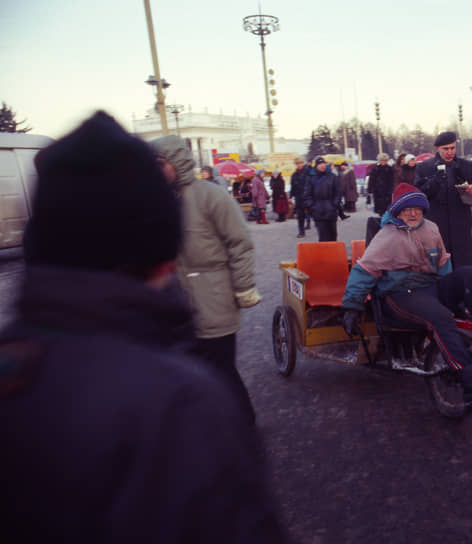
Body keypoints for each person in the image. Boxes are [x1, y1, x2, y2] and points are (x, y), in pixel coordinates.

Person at [0, 111, 285, 542]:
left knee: (221, 364)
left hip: (208, 303)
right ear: (157, 247)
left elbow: (237, 244)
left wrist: (240, 288)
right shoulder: (179, 400)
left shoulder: (13, 364)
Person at [341, 183, 472, 406]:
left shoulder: (431, 229)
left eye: (417, 208)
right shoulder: (386, 236)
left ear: (423, 210)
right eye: (406, 209)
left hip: (430, 288)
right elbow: (364, 271)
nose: (412, 213)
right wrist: (352, 307)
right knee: (441, 318)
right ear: (397, 211)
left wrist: (455, 296)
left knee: (468, 274)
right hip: (400, 296)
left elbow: (443, 262)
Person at [151, 134, 261, 423]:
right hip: (178, 306)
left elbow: (239, 243)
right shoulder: (159, 200)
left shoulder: (210, 195)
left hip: (214, 299)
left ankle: (242, 430)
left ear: (176, 162)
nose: (156, 170)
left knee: (221, 372)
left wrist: (243, 286)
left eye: (160, 164)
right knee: (191, 374)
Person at [415, 131, 472, 269]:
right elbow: (419, 193)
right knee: (438, 265)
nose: (450, 152)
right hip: (435, 224)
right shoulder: (424, 167)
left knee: (463, 264)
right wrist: (435, 181)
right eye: (445, 149)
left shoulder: (465, 165)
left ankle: (463, 288)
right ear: (437, 149)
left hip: (461, 223)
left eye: (452, 148)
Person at [303, 156, 344, 242]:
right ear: (316, 166)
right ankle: (324, 255)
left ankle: (333, 254)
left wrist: (335, 204)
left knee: (333, 235)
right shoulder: (311, 178)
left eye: (323, 163)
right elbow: (307, 194)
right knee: (323, 237)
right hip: (318, 212)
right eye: (320, 164)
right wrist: (313, 206)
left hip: (331, 210)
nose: (322, 166)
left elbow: (338, 192)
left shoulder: (333, 177)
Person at [290, 156, 310, 237]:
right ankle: (301, 232)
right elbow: (293, 187)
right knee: (300, 215)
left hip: (308, 197)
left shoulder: (308, 172)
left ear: (303, 163)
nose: (299, 165)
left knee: (312, 212)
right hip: (299, 198)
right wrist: (290, 196)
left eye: (300, 163)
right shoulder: (294, 175)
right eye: (297, 163)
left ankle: (310, 224)